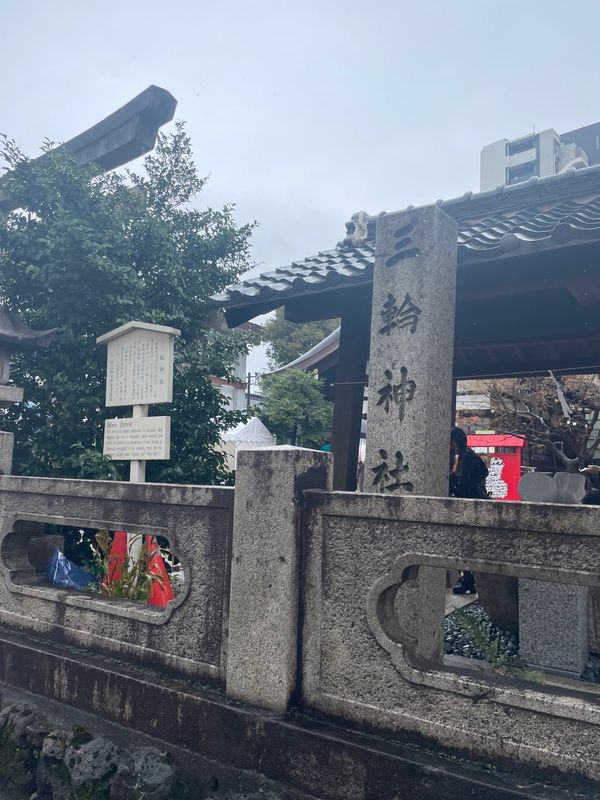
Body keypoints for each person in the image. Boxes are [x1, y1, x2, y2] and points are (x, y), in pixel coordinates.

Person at [449, 427, 489, 594]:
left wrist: (456, 486)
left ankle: (472, 581)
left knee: (470, 545)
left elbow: (478, 476)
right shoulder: (461, 457)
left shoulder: (469, 458)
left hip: (472, 505)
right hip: (465, 505)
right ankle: (468, 580)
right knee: (465, 546)